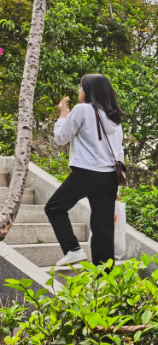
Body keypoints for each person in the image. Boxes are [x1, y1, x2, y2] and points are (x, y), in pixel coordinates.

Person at [45, 74, 125, 266]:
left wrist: (63, 116)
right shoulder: (114, 117)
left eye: (81, 88)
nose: (79, 92)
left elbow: (61, 138)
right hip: (109, 178)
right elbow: (118, 152)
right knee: (102, 228)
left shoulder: (82, 109)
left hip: (87, 172)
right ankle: (104, 277)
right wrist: (117, 189)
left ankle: (73, 249)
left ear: (89, 91)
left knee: (54, 208)